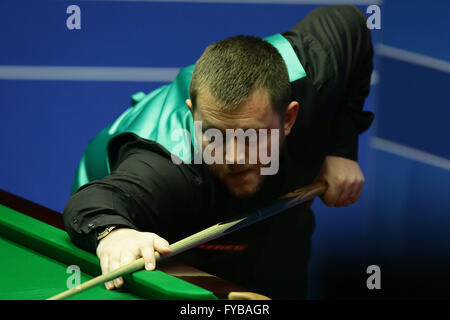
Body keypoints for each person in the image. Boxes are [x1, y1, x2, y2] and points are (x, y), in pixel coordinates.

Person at [63, 5, 374, 299]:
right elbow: (94, 203)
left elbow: (351, 23)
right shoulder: (169, 165)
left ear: (289, 118)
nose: (234, 158)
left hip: (276, 221)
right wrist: (116, 234)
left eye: (251, 136)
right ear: (193, 114)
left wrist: (341, 148)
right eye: (216, 136)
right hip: (163, 226)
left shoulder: (315, 69)